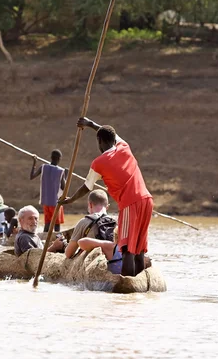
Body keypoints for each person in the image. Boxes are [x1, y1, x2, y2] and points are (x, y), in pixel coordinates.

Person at [59, 117, 153, 277]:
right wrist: (90, 124)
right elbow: (110, 133)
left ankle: (127, 286)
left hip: (130, 203)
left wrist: (70, 200)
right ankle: (138, 291)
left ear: (100, 141)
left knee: (127, 249)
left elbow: (86, 187)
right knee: (138, 249)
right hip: (147, 201)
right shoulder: (124, 147)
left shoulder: (99, 163)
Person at [60, 189, 116, 259]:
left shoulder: (84, 222)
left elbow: (69, 253)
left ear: (90, 204)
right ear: (107, 207)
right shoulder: (115, 222)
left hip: (90, 262)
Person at [30, 150, 67, 232]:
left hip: (45, 202)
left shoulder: (43, 167)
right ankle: (58, 241)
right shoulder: (61, 171)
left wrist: (35, 162)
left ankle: (44, 240)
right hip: (56, 203)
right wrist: (66, 175)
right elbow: (64, 188)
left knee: (47, 224)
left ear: (51, 157)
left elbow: (31, 176)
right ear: (59, 159)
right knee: (57, 225)